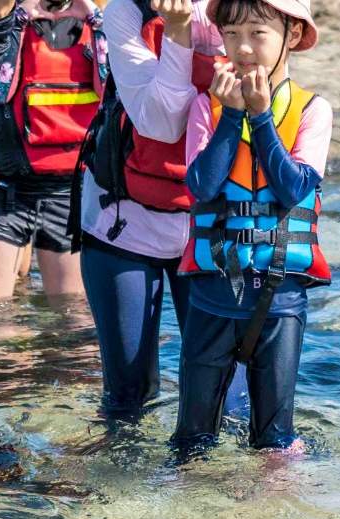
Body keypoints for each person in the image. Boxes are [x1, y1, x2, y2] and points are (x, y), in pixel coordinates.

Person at [170, 0, 333, 455]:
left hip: (280, 299)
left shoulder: (313, 110)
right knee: (192, 437)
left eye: (258, 34)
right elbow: (202, 185)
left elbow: (292, 188)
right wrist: (234, 115)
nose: (243, 48)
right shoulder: (208, 107)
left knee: (274, 441)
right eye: (232, 34)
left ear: (293, 36)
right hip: (212, 295)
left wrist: (261, 117)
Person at [74, 0, 222, 422]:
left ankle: (217, 483)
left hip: (208, 223)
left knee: (220, 389)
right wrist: (177, 32)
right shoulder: (126, 11)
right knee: (128, 392)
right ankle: (121, 484)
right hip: (121, 220)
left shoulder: (235, 11)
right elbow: (161, 123)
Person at [0, 0, 102, 306]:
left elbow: (116, 91)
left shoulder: (98, 23)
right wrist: (15, 18)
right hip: (4, 184)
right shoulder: (6, 14)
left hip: (70, 188)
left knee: (73, 312)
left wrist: (97, 20)